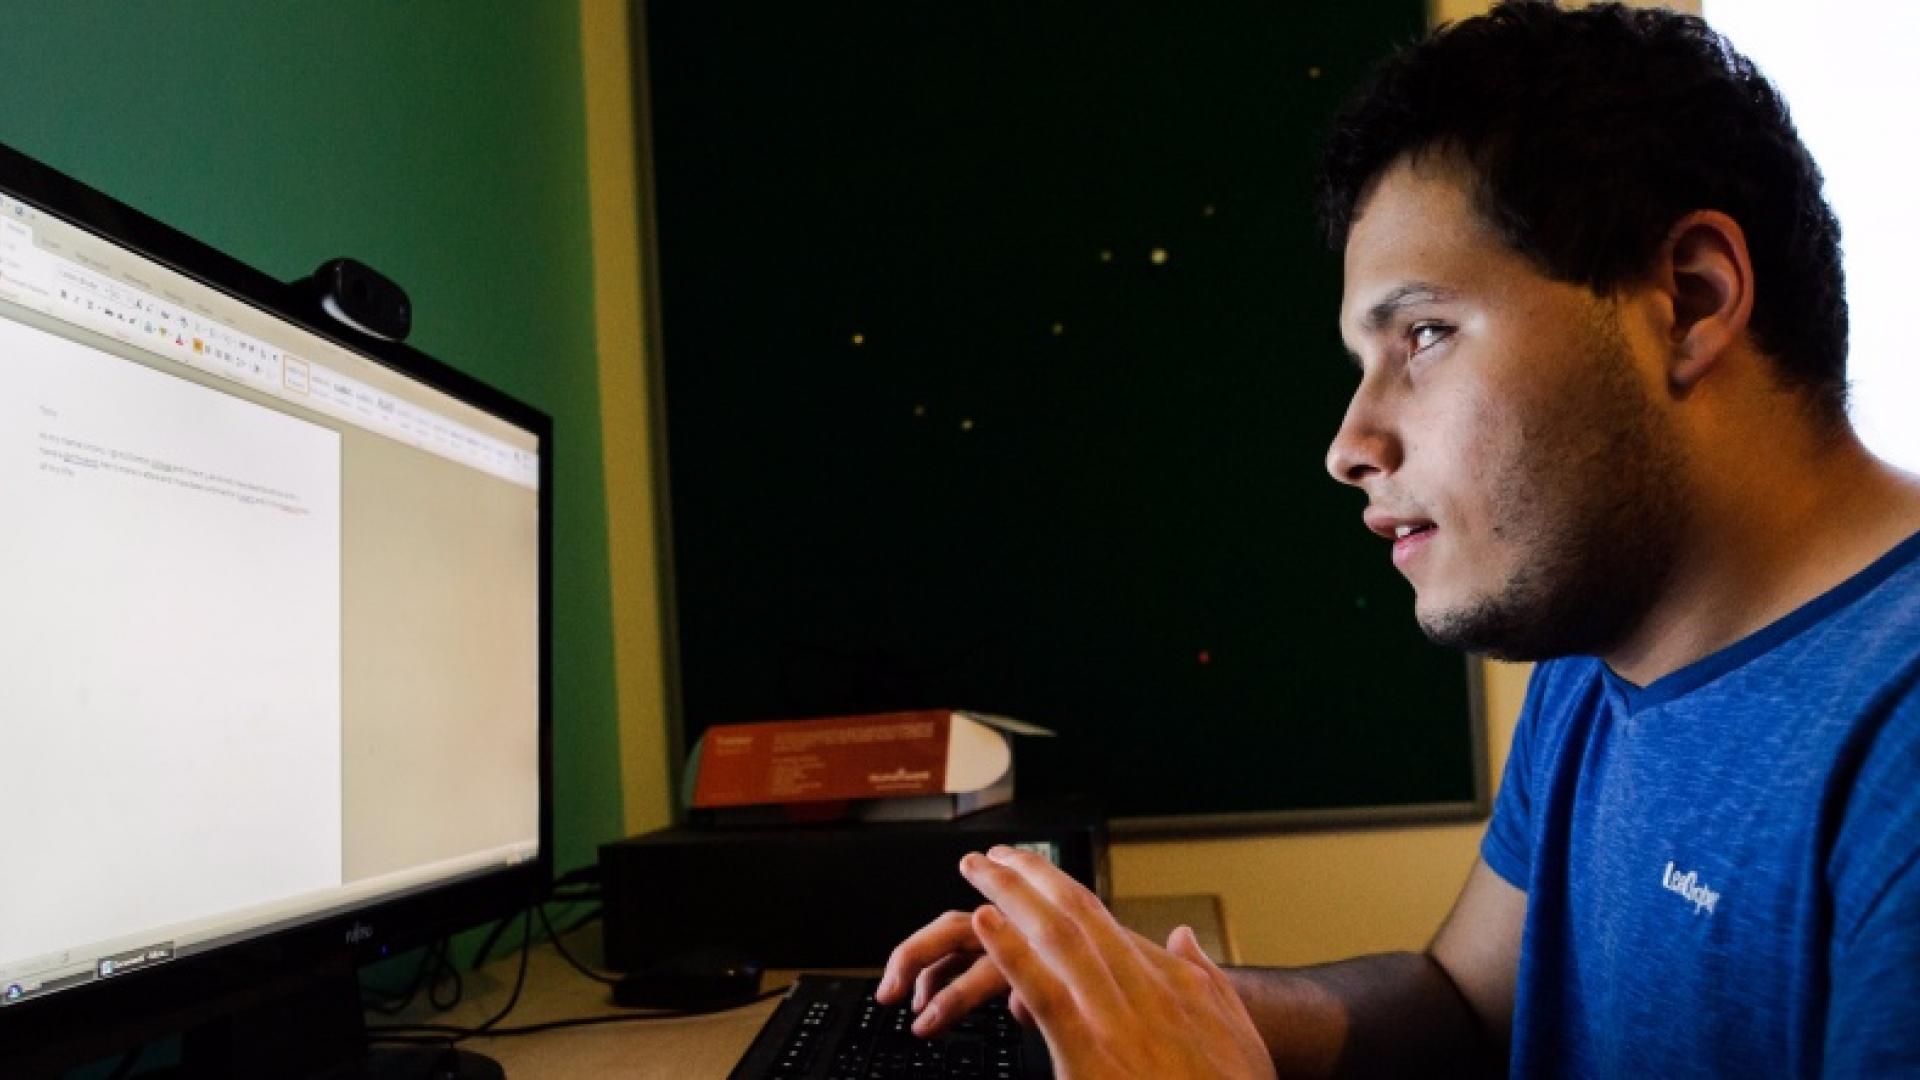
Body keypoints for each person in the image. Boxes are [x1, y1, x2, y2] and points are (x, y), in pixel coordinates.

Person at [875, 2, 1920, 1075]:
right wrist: (1168, 1001)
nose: (1350, 444)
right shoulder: (1607, 648)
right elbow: (1464, 1004)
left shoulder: (1898, 746)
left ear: (1689, 301)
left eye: (1424, 335)